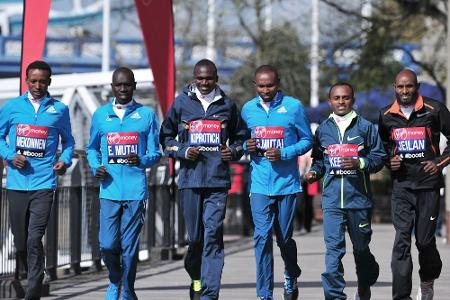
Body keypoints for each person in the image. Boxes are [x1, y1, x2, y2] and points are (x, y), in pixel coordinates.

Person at [159, 59, 246, 300]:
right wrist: (183, 150)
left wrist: (235, 151)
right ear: (194, 78)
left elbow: (241, 138)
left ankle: (209, 293)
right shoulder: (182, 103)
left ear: (216, 78)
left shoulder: (227, 105)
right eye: (200, 78)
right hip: (189, 180)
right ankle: (196, 278)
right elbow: (165, 138)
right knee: (195, 239)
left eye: (209, 78)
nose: (204, 83)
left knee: (213, 235)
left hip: (217, 182)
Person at [0, 60, 75, 299]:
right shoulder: (12, 107)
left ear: (49, 82)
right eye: (33, 80)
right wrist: (10, 156)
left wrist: (65, 160)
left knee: (35, 237)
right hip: (17, 184)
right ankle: (25, 273)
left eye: (42, 81)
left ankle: (33, 290)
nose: (38, 85)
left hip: (44, 183)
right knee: (21, 240)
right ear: (26, 81)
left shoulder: (59, 110)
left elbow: (69, 142)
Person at [305, 82, 386, 300]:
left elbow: (379, 158)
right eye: (337, 98)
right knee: (333, 252)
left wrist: (359, 163)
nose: (341, 102)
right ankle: (334, 296)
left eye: (346, 98)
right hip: (331, 202)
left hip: (358, 201)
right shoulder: (323, 129)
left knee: (361, 250)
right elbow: (320, 162)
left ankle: (365, 281)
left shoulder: (365, 127)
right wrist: (314, 172)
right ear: (330, 101)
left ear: (353, 99)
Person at [87, 67, 161, 300]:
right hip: (108, 190)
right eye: (118, 85)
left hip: (135, 191)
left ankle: (127, 290)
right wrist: (95, 166)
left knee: (129, 248)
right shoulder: (100, 115)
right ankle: (114, 280)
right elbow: (91, 149)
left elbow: (155, 153)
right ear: (112, 87)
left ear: (134, 86)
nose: (122, 89)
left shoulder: (146, 115)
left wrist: (141, 160)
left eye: (127, 85)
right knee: (107, 245)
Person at [241, 65, 313, 300]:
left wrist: (284, 152)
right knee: (261, 238)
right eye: (261, 86)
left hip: (287, 184)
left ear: (278, 83)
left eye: (269, 85)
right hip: (260, 184)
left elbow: (306, 140)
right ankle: (264, 294)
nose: (265, 90)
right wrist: (245, 147)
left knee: (284, 239)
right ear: (255, 85)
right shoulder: (248, 110)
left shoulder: (293, 107)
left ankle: (291, 273)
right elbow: (241, 142)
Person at [378, 69, 450, 300]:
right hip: (402, 187)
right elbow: (383, 148)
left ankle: (428, 279)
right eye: (400, 87)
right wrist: (390, 161)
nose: (405, 91)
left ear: (416, 86)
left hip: (428, 186)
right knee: (401, 241)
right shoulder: (386, 115)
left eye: (409, 86)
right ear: (394, 87)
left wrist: (439, 162)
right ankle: (401, 296)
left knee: (424, 241)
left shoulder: (434, 109)